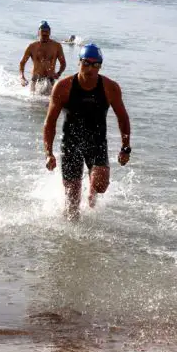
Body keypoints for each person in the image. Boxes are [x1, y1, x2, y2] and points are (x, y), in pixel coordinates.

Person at [43, 43, 131, 221]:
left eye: (95, 65)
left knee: (100, 185)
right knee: (72, 204)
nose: (90, 68)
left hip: (97, 142)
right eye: (86, 63)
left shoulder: (110, 88)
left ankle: (92, 190)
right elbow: (50, 123)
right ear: (79, 63)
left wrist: (125, 147)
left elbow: (123, 118)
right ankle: (73, 241)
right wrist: (49, 153)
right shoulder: (63, 87)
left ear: (100, 66)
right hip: (70, 143)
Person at [19, 21, 66, 94]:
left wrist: (59, 73)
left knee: (50, 102)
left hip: (50, 80)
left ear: (50, 32)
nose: (45, 33)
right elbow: (22, 63)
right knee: (32, 102)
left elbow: (63, 63)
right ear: (38, 32)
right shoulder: (32, 46)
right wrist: (22, 77)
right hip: (35, 80)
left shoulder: (57, 46)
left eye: (47, 32)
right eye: (43, 32)